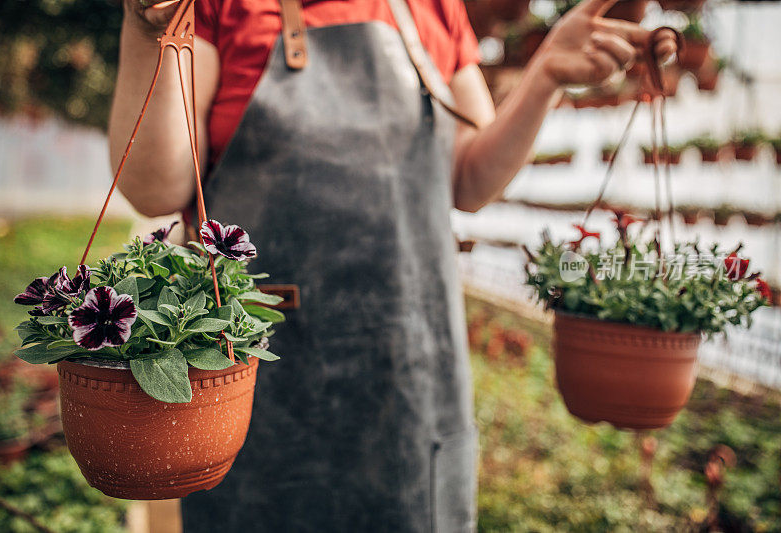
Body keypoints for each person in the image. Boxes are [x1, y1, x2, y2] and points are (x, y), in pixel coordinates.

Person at [110, 1, 676, 530]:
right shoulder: (215, 6)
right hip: (260, 383)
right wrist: (146, 25)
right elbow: (156, 187)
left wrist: (547, 72)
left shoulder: (430, 7)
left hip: (414, 379)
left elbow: (470, 178)